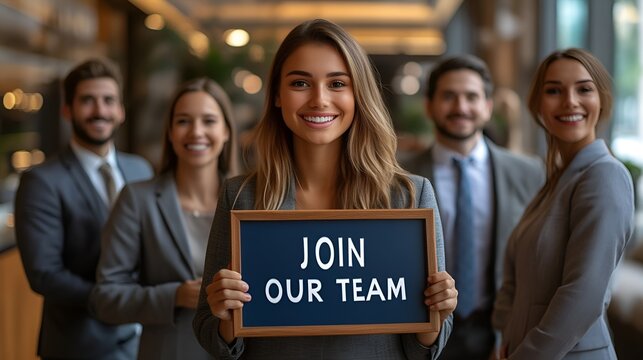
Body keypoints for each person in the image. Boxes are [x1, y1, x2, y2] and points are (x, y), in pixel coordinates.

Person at [192, 18, 457, 359]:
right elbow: (207, 331)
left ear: (357, 94)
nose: (319, 100)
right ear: (276, 95)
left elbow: (424, 349)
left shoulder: (409, 195)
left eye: (336, 84)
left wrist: (436, 312)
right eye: (300, 83)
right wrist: (225, 316)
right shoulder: (240, 195)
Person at [492, 48, 635, 359]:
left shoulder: (604, 176)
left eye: (584, 89)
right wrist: (502, 340)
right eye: (554, 90)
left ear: (602, 101)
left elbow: (583, 294)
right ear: (538, 106)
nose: (570, 101)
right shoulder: (556, 181)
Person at [403, 54, 544, 359]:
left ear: (488, 106)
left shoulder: (530, 173)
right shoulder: (398, 177)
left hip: (501, 332)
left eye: (471, 96)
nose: (461, 107)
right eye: (449, 96)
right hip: (424, 331)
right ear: (429, 105)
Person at [90, 77, 241, 360]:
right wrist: (175, 295)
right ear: (170, 132)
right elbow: (106, 298)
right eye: (183, 121)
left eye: (209, 121)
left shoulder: (248, 202)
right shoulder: (137, 199)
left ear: (226, 132)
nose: (196, 132)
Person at [14, 58, 154, 359]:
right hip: (81, 346)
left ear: (121, 111)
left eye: (108, 101)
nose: (100, 111)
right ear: (67, 110)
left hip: (147, 340)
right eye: (87, 101)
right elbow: (45, 274)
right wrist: (118, 301)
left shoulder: (140, 169)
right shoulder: (41, 181)